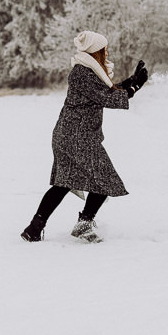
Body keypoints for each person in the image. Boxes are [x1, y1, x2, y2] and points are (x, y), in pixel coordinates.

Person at [21, 31, 148, 243]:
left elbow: (106, 91)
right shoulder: (82, 73)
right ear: (95, 51)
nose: (107, 53)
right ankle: (84, 224)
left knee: (64, 182)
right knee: (105, 179)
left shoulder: (86, 72)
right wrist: (134, 87)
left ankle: (34, 228)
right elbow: (107, 97)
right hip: (77, 137)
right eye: (104, 49)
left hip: (70, 135)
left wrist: (130, 82)